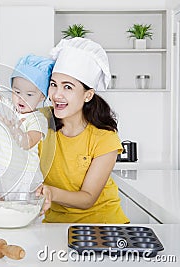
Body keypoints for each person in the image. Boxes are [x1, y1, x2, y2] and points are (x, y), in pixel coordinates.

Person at [37, 37, 130, 223]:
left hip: (102, 227)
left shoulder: (104, 137)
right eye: (53, 84)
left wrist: (50, 192)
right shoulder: (39, 121)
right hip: (55, 225)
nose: (56, 95)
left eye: (68, 87)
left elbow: (87, 198)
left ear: (88, 95)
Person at [0, 55, 55, 199]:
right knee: (1, 208)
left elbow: (28, 143)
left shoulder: (38, 120)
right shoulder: (8, 106)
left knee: (20, 211)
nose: (21, 98)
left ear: (42, 97)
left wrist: (15, 130)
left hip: (22, 174)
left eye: (29, 94)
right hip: (1, 168)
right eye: (17, 92)